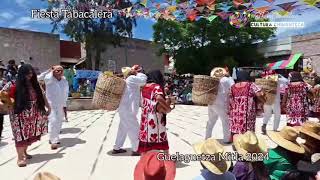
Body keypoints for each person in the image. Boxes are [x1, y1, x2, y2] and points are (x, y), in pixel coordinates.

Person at [6, 64, 51, 167]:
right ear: (22, 73)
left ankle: (25, 153)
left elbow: (43, 95)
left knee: (29, 135)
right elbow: (2, 95)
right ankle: (20, 158)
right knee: (20, 136)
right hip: (18, 115)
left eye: (31, 73)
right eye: (27, 73)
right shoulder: (12, 84)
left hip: (33, 114)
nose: (30, 75)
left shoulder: (35, 84)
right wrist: (6, 105)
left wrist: (49, 107)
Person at [113, 65, 147, 156]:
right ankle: (136, 149)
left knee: (122, 128)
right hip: (128, 109)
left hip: (123, 108)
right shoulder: (131, 78)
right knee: (134, 128)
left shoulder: (126, 80)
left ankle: (117, 147)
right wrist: (137, 72)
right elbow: (144, 80)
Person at [138, 70, 172, 155]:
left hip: (145, 118)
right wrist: (168, 108)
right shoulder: (156, 86)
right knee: (161, 137)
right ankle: (165, 158)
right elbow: (159, 98)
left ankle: (144, 161)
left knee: (145, 140)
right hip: (155, 118)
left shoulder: (144, 87)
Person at [228, 70, 265, 140]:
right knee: (248, 131)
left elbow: (230, 100)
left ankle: (237, 143)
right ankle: (247, 144)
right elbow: (259, 94)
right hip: (248, 113)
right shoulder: (251, 85)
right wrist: (263, 101)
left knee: (236, 129)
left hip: (235, 114)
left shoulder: (232, 87)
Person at [41, 66, 69, 150]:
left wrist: (64, 105)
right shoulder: (49, 79)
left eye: (61, 70)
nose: (59, 72)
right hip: (51, 105)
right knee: (53, 121)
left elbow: (66, 92)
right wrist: (49, 70)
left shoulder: (64, 80)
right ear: (53, 71)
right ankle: (53, 141)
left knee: (59, 123)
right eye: (57, 70)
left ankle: (54, 137)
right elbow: (39, 77)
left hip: (61, 104)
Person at [206, 67, 234, 143]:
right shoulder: (227, 80)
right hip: (222, 103)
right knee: (225, 121)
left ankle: (207, 137)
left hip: (211, 102)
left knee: (211, 121)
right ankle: (227, 139)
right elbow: (233, 89)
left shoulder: (213, 79)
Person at [0, 65, 7, 140]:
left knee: (1, 120)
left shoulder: (3, 80)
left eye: (2, 71)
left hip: (2, 102)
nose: (1, 72)